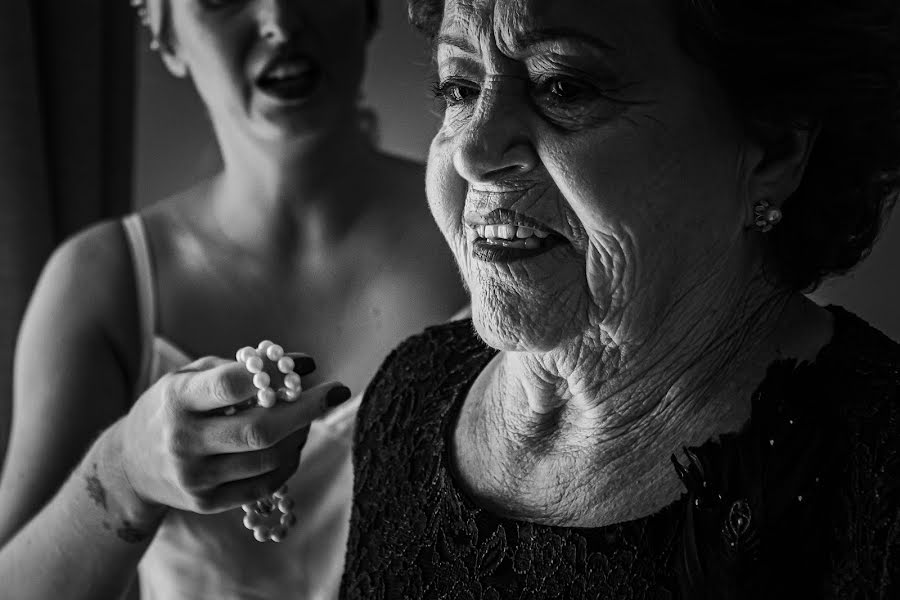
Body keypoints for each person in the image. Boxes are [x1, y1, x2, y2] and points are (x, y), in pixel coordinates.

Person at [337, 0, 900, 597]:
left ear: (773, 151)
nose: (472, 152)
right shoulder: (411, 391)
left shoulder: (879, 478)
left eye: (562, 86)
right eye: (459, 87)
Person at [0, 0, 465, 598]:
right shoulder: (103, 284)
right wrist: (126, 471)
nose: (279, 19)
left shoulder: (490, 239)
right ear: (165, 37)